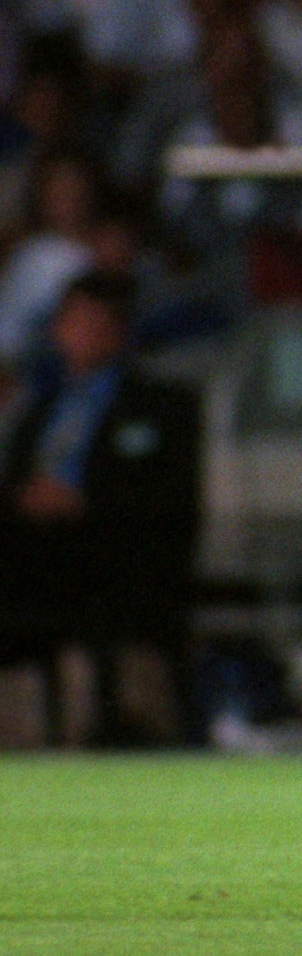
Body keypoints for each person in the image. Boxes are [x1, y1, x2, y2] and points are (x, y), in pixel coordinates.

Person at [0, 271, 200, 748]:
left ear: (122, 332)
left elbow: (170, 502)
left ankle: (112, 727)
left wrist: (84, 504)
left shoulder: (162, 406)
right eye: (75, 322)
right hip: (31, 560)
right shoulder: (38, 409)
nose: (84, 335)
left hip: (112, 563)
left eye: (97, 324)